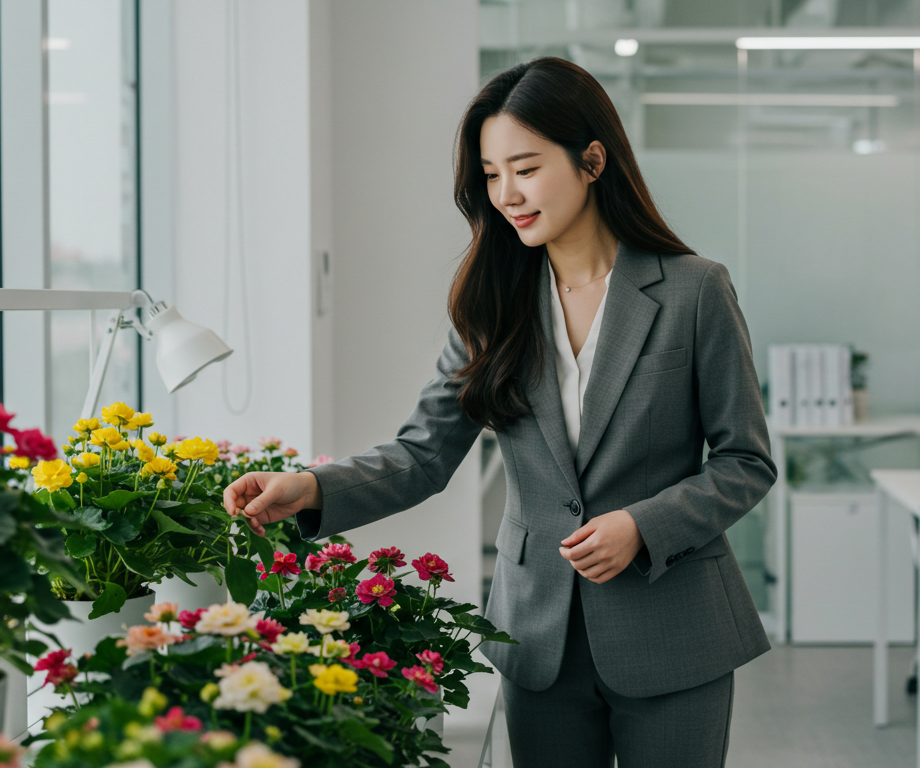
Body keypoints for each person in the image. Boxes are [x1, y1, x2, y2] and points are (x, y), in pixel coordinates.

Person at [224, 56, 776, 768]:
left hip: (674, 629)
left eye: (526, 168)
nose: (507, 194)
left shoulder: (694, 291)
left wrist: (644, 525)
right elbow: (423, 453)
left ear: (592, 161)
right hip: (539, 638)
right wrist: (310, 487)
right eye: (490, 174)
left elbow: (744, 461)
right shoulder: (493, 307)